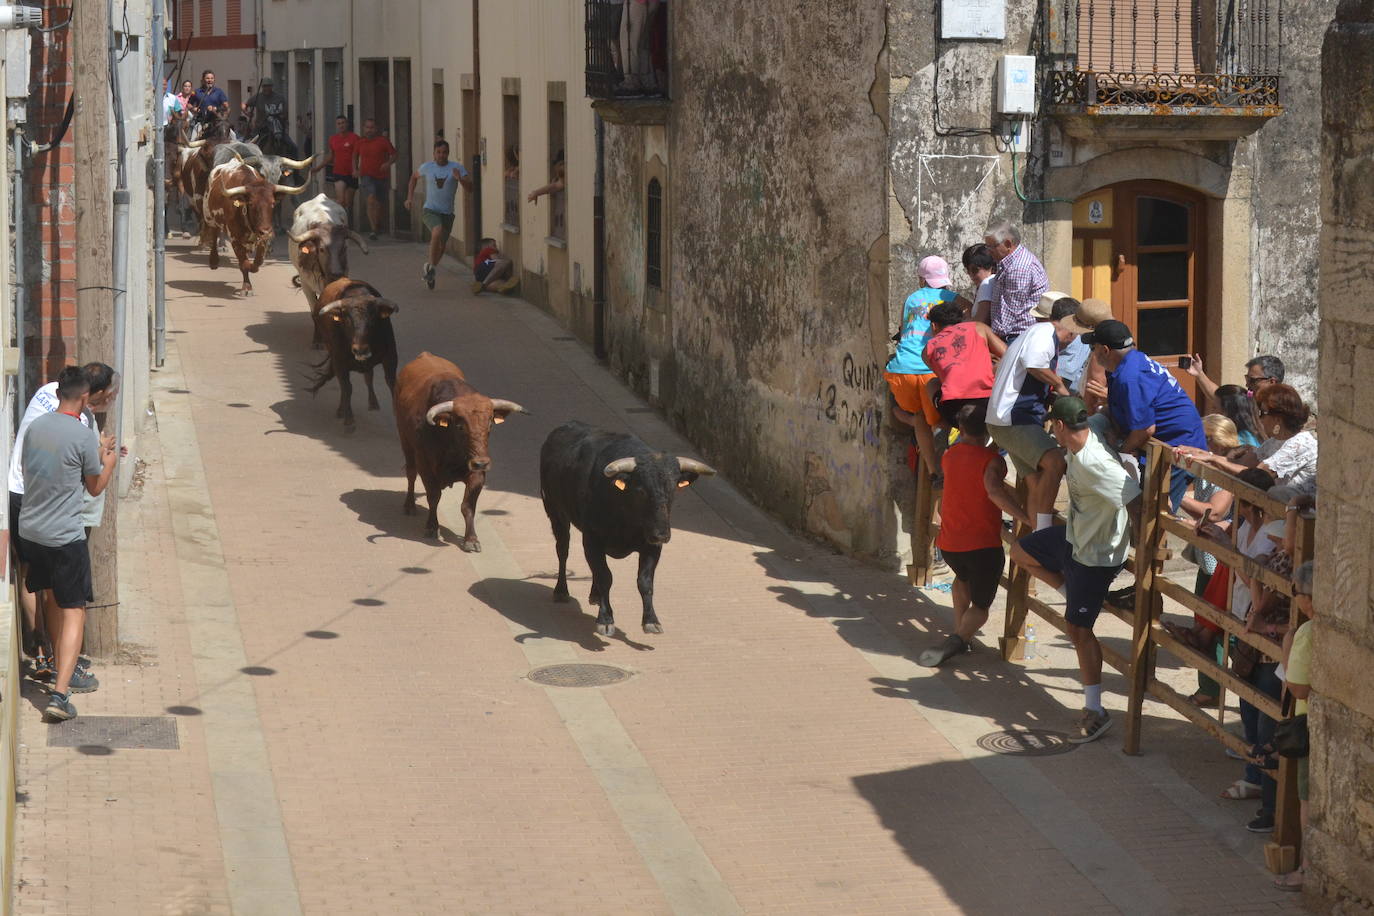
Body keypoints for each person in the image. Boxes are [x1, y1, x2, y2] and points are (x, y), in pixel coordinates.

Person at [1011, 396, 1140, 744]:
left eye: (1053, 425)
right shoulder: (1088, 430)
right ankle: (1070, 593)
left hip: (1096, 556)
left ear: (1061, 426)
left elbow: (1134, 497)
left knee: (1078, 629)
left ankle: (1095, 709)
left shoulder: (1098, 463)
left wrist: (1141, 552)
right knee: (1020, 550)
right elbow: (1104, 416)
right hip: (1074, 537)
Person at [8, 363, 120, 679]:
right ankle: (55, 665)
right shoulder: (80, 424)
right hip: (48, 508)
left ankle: (46, 654)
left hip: (23, 500)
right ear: (88, 396)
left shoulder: (47, 401)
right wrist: (105, 459)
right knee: (66, 599)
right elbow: (92, 483)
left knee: (34, 577)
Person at [918, 404, 1030, 667]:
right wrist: (1024, 517)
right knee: (980, 607)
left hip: (950, 544)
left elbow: (969, 469)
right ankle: (957, 639)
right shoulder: (993, 461)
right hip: (983, 547)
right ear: (988, 429)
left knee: (962, 578)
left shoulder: (948, 455)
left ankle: (961, 633)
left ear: (961, 427)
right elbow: (993, 490)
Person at [1084, 319, 1207, 512]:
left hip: (1178, 446)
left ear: (1105, 350)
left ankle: (1152, 542)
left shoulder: (1130, 377)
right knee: (1143, 505)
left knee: (1156, 514)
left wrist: (1121, 449)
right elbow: (1118, 407)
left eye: (1093, 347)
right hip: (1159, 444)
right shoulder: (1127, 363)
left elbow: (1145, 429)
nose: (1092, 352)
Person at [986, 296, 1081, 531]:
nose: (1076, 337)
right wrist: (1061, 388)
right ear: (1069, 324)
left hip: (1008, 419)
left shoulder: (1036, 334)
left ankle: (1035, 533)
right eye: (1077, 331)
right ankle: (1043, 531)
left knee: (1037, 479)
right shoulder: (1043, 332)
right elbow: (1034, 364)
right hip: (1014, 418)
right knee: (1056, 462)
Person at [1167, 414, 1242, 707]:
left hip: (1217, 560)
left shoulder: (1227, 474)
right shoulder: (1209, 465)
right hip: (1207, 557)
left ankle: (1213, 688)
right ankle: (1210, 686)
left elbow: (1216, 511)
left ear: (1214, 441)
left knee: (1215, 628)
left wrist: (1175, 499)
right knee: (1204, 621)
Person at [884, 256, 964, 479]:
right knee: (940, 420)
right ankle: (946, 468)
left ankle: (932, 470)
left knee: (919, 416)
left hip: (900, 370)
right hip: (929, 370)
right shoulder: (952, 298)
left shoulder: (911, 299)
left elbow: (902, 330)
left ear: (921, 280)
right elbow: (973, 316)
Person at [1175, 383, 1317, 498]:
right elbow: (1239, 464)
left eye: (1262, 413)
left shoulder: (1300, 443)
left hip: (1299, 521)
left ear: (1277, 419)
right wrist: (1200, 453)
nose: (1259, 418)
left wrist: (1212, 459)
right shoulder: (1274, 442)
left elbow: (1257, 476)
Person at [1274, 560, 1314, 892]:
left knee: (1307, 799)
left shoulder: (1307, 632)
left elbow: (1298, 688)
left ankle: (1307, 867)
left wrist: (1287, 653)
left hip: (1309, 725)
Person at [922, 299, 1007, 426]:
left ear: (934, 326)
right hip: (988, 401)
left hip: (953, 408)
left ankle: (945, 424)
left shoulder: (927, 349)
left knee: (932, 383)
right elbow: (1008, 353)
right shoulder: (978, 327)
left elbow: (944, 377)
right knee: (999, 365)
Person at [405, 139, 473, 290]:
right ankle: (431, 269)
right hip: (430, 210)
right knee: (437, 231)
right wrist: (409, 198)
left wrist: (460, 179)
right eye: (438, 152)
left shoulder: (457, 168)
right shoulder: (427, 167)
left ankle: (430, 268)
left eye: (444, 152)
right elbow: (413, 178)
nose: (441, 155)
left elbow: (470, 188)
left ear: (448, 153)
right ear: (434, 153)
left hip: (447, 213)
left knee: (442, 247)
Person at [983, 220, 1049, 342]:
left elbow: (1009, 311)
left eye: (991, 247)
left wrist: (989, 340)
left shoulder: (1018, 268)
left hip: (1018, 336)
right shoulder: (1010, 262)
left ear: (1008, 244)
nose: (988, 251)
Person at [354, 119, 398, 241]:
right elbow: (355, 156)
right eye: (367, 127)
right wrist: (355, 169)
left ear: (376, 129)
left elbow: (394, 155)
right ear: (364, 128)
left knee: (378, 204)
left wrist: (388, 163)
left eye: (372, 127)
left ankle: (376, 226)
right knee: (371, 199)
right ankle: (373, 230)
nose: (369, 130)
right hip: (366, 176)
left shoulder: (383, 141)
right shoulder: (360, 142)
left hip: (381, 176)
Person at [1187, 353, 1285, 407]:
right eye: (1247, 378)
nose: (1247, 385)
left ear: (1272, 382)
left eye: (1252, 380)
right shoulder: (1250, 400)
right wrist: (1199, 373)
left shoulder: (1284, 410)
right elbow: (1220, 397)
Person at [313, 116, 361, 210]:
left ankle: (346, 222)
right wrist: (318, 167)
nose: (341, 125)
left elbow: (359, 155)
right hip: (339, 173)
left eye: (343, 123)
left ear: (347, 124)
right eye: (339, 123)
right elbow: (330, 156)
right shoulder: (333, 139)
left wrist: (357, 169)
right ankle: (337, 220)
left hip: (352, 173)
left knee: (348, 203)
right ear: (336, 125)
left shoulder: (355, 138)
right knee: (341, 200)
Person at [242, 77, 291, 152]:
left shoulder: (280, 98)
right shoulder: (258, 97)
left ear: (272, 87)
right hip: (261, 129)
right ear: (262, 87)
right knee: (248, 148)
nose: (266, 88)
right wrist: (247, 113)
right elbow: (244, 105)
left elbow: (285, 112)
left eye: (268, 86)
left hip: (278, 129)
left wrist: (283, 118)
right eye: (264, 86)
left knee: (293, 148)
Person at [960, 243, 998, 324]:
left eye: (974, 270)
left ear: (990, 267)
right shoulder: (995, 281)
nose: (971, 275)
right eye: (968, 270)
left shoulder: (987, 284)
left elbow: (980, 321)